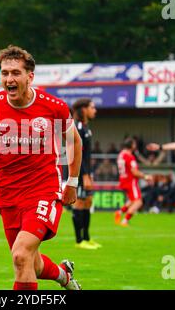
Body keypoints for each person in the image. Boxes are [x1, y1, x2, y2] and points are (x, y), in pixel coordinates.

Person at [0, 45, 82, 290]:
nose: (9, 79)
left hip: (42, 190)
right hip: (7, 194)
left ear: (30, 77)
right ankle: (64, 276)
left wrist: (72, 182)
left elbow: (74, 141)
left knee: (20, 255)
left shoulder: (53, 106)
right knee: (29, 262)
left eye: (15, 73)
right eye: (4, 73)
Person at [71, 98, 101, 250]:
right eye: (92, 107)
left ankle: (87, 237)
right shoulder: (77, 127)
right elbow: (76, 154)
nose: (94, 110)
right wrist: (83, 175)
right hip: (79, 173)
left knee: (88, 202)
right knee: (79, 203)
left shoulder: (87, 127)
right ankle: (79, 240)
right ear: (83, 109)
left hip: (86, 172)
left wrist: (89, 173)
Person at [115, 138, 152, 226]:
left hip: (123, 179)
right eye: (134, 144)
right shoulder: (129, 156)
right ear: (131, 145)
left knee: (132, 200)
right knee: (138, 202)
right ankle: (125, 221)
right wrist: (146, 176)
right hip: (131, 181)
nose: (135, 145)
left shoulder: (121, 155)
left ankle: (119, 212)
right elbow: (134, 172)